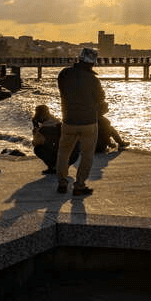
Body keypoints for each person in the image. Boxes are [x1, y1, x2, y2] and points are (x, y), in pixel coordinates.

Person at [54, 47, 106, 196]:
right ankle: (79, 185)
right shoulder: (93, 80)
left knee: (63, 153)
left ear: (79, 58)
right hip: (88, 122)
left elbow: (62, 91)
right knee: (87, 155)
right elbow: (100, 99)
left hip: (69, 120)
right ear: (93, 63)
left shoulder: (64, 74)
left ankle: (62, 182)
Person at [32, 104, 79, 175]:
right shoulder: (59, 123)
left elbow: (35, 143)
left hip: (61, 155)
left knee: (37, 149)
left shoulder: (43, 129)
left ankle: (53, 167)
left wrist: (35, 131)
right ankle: (63, 165)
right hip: (73, 155)